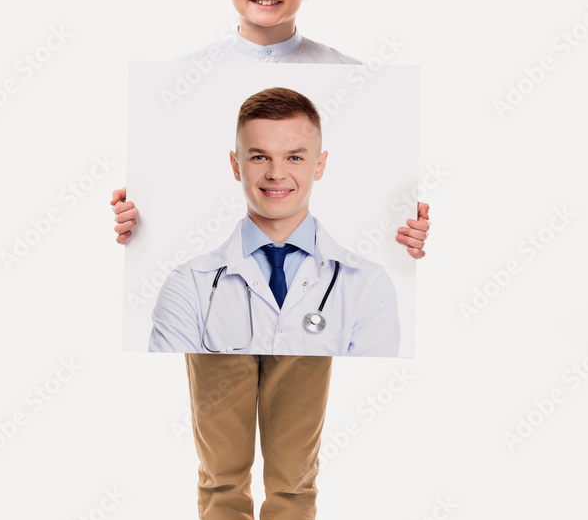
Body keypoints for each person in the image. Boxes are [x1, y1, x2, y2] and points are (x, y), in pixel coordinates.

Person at [111, 0, 430, 520]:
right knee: (221, 470)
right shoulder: (183, 81)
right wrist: (135, 225)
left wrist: (409, 236)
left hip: (308, 327)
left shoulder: (351, 80)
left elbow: (395, 191)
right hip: (217, 320)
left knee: (292, 473)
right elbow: (151, 190)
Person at [149, 87, 401, 358]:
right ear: (236, 165)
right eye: (260, 157)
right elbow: (172, 381)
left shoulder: (368, 285)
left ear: (319, 165)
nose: (276, 174)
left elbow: (366, 381)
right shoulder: (188, 285)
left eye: (294, 158)